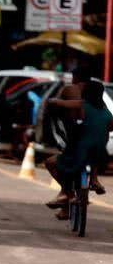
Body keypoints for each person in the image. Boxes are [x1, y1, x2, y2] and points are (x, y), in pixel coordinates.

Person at [45, 79, 111, 219]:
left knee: (51, 163)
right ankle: (94, 180)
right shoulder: (107, 113)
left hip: (80, 151)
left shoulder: (82, 105)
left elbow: (65, 104)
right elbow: (110, 128)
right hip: (100, 154)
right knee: (94, 151)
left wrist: (54, 101)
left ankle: (67, 193)